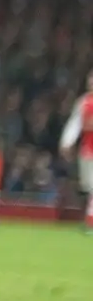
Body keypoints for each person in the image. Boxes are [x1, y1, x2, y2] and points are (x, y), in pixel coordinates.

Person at [60, 72, 93, 234]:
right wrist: (67, 142)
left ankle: (90, 221)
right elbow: (75, 123)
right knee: (87, 185)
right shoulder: (84, 102)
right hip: (87, 150)